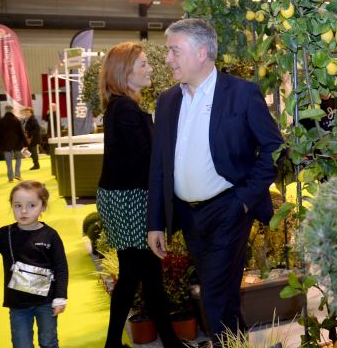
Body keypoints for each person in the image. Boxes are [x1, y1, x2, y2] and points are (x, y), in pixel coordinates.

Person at [147, 19, 283, 345]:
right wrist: (156, 223)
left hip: (228, 208)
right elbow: (159, 165)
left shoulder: (241, 93)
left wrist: (245, 200)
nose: (167, 59)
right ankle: (236, 342)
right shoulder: (168, 101)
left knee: (214, 293)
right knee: (222, 293)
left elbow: (274, 149)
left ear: (201, 52)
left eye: (174, 51)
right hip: (188, 215)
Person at [97, 42, 183, 348]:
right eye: (143, 64)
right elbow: (147, 158)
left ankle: (155, 342)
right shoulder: (125, 108)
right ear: (125, 71)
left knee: (141, 274)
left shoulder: (121, 106)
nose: (151, 69)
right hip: (129, 199)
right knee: (141, 273)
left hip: (124, 197)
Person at [0, 180, 68, 348]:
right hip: (18, 304)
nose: (24, 211)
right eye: (18, 206)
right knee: (21, 344)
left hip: (47, 302)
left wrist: (60, 297)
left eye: (31, 205)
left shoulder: (51, 236)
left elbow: (61, 268)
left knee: (49, 342)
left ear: (43, 206)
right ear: (12, 206)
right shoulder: (4, 235)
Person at [0, 105, 28, 182]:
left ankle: (10, 178)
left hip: (5, 145)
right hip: (17, 144)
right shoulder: (16, 121)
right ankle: (17, 174)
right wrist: (25, 144)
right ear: (12, 111)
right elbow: (21, 133)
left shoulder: (0, 121)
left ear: (5, 111)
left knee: (8, 161)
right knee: (18, 158)